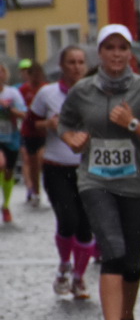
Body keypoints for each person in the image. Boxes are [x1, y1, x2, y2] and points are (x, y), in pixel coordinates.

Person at [55, 26, 140, 320]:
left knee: (131, 262)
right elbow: (65, 121)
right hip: (95, 181)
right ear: (99, 53)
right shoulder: (82, 90)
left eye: (122, 48)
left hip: (135, 184)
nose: (116, 54)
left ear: (130, 53)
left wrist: (133, 124)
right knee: (113, 252)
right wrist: (69, 137)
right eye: (109, 48)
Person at [31, 47, 97, 298]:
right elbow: (30, 126)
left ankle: (79, 277)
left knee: (86, 227)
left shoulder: (95, 93)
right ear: (62, 65)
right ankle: (63, 266)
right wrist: (47, 124)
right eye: (71, 62)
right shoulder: (47, 94)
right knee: (68, 220)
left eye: (81, 62)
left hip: (89, 168)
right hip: (57, 168)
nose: (77, 67)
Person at [19, 59, 48, 207]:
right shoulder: (24, 90)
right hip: (28, 131)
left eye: (38, 74)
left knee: (41, 159)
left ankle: (45, 188)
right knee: (31, 163)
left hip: (43, 132)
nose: (36, 77)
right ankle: (35, 191)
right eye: (33, 75)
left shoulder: (45, 88)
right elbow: (20, 106)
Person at [0, 61, 24, 222]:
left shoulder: (12, 93)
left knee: (8, 173)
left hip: (11, 137)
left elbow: (24, 114)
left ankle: (6, 205)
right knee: (0, 163)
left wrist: (9, 109)